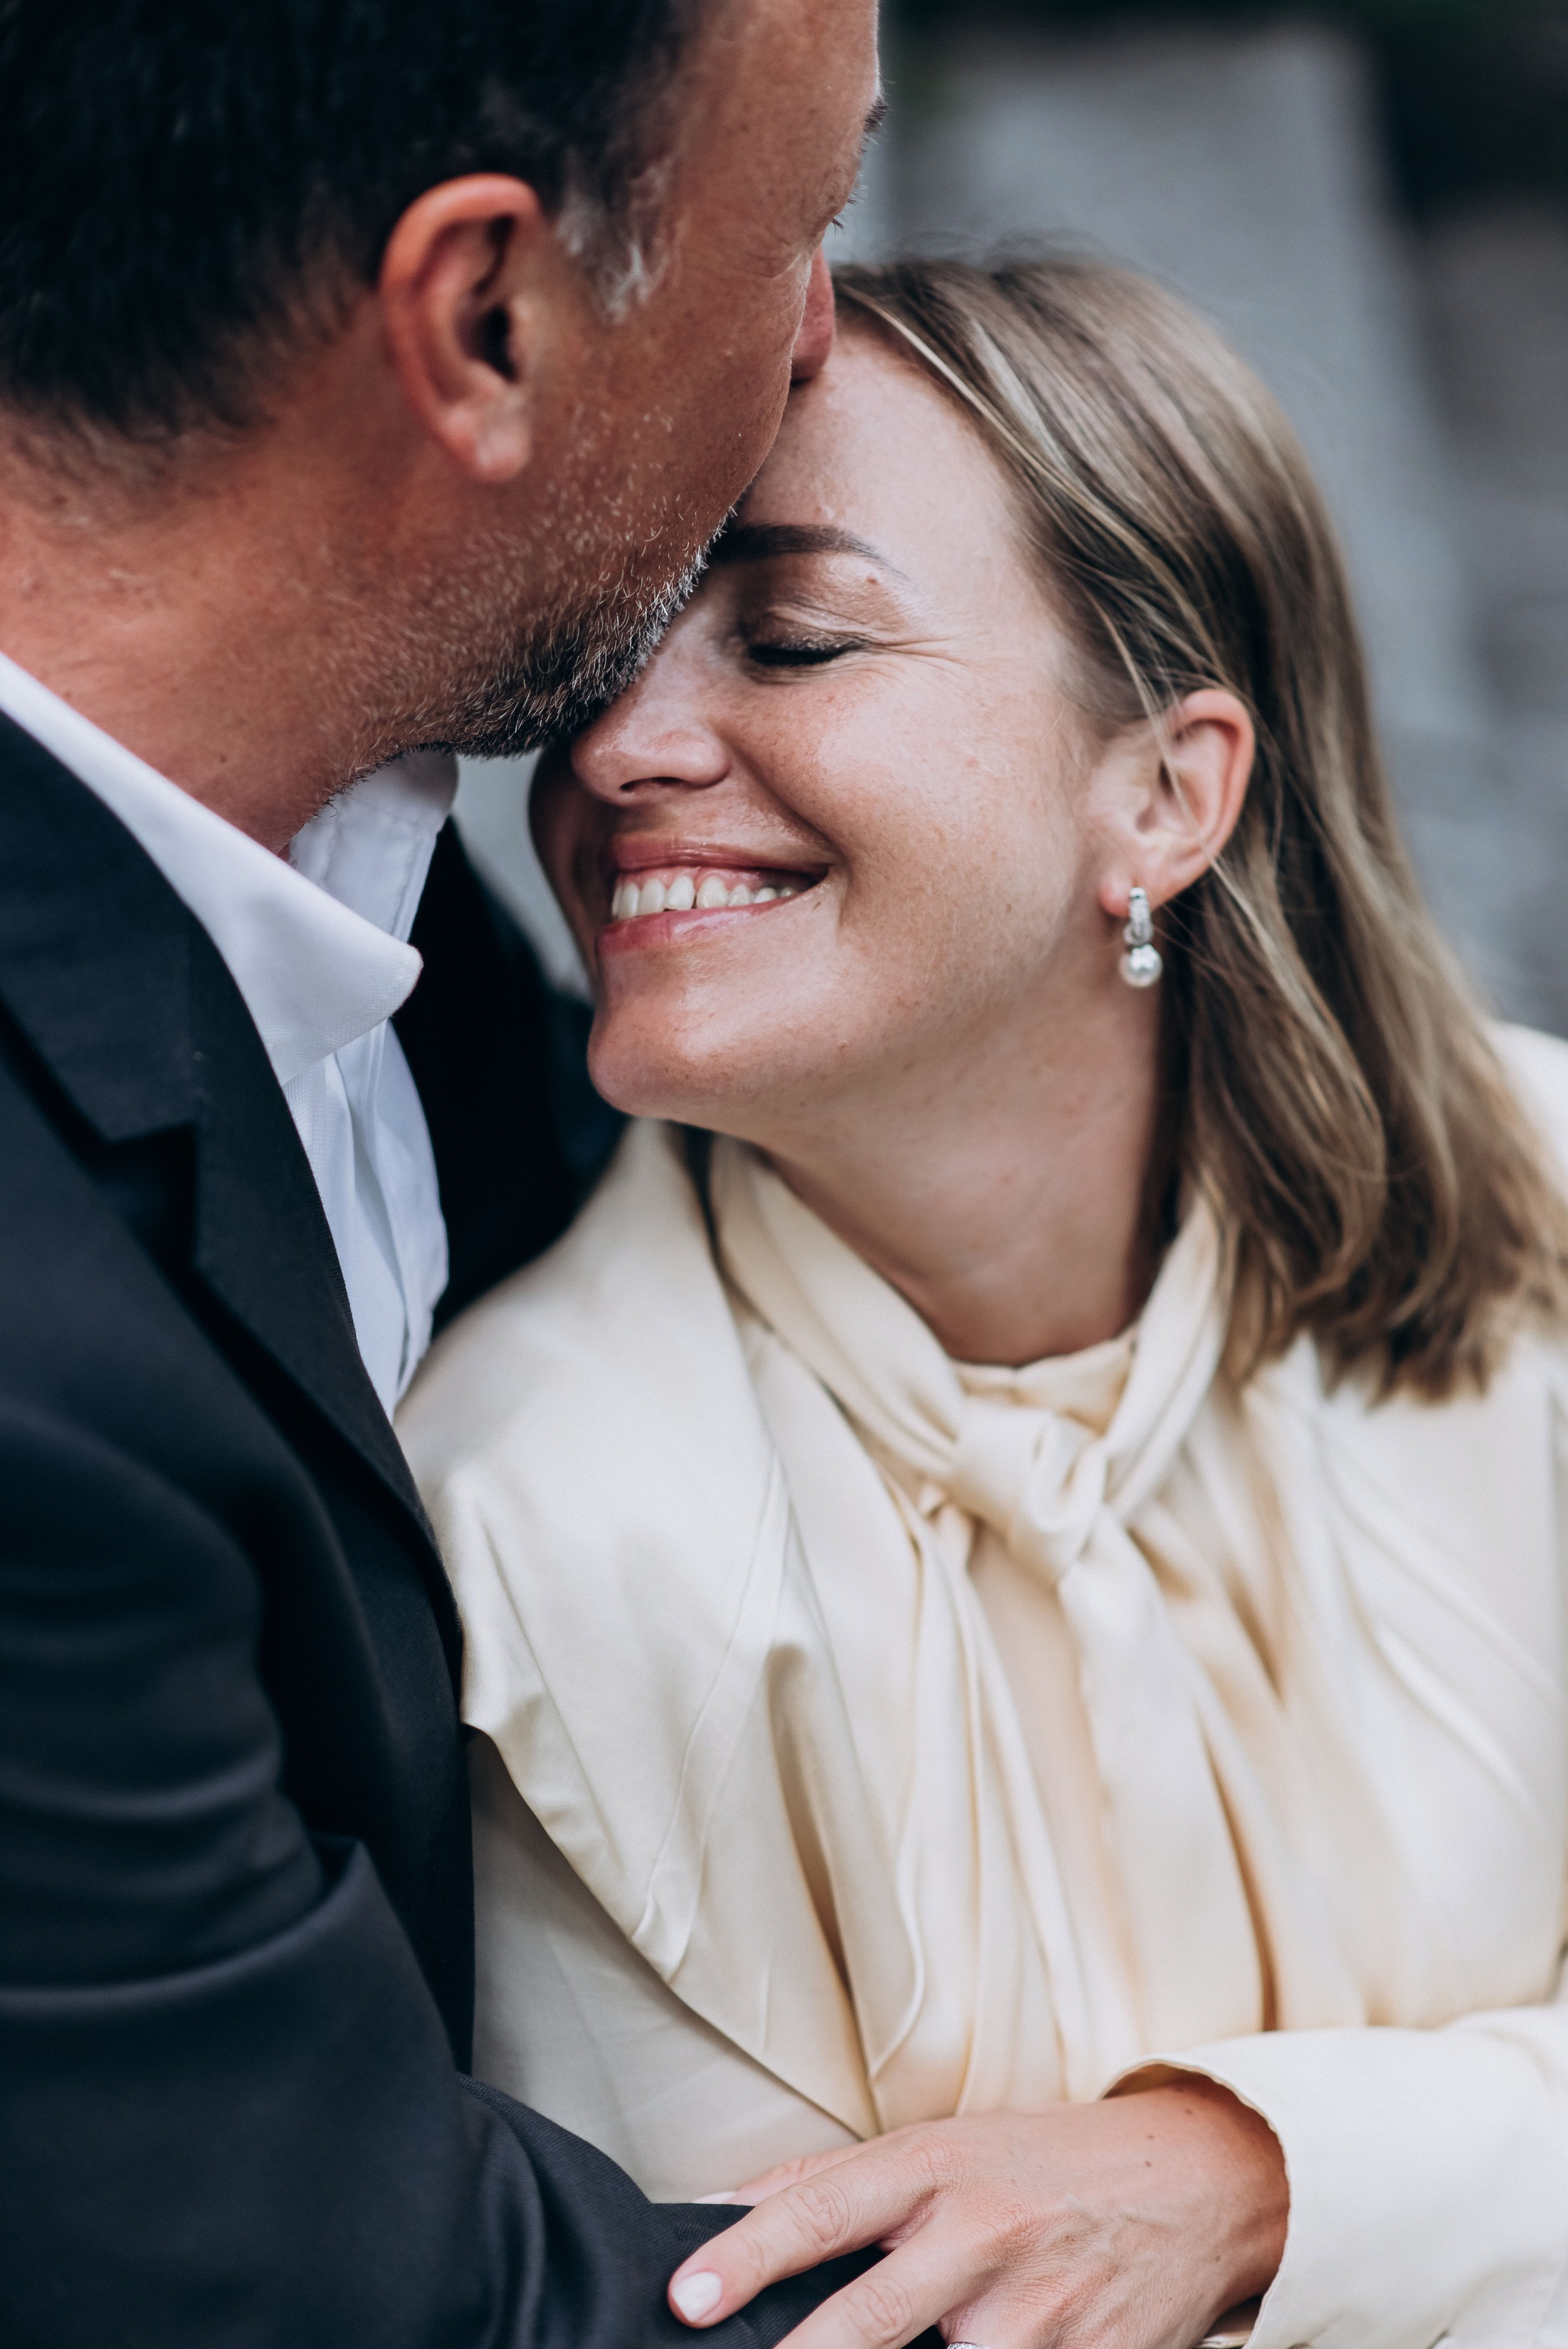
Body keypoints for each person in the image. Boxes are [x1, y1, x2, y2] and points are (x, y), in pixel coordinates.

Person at [401, 256, 1568, 2349]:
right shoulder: (534, 1519)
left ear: (1168, 793)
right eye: (607, 652)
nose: (619, 752)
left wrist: (1258, 2178)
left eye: (794, 634)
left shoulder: (1559, 1207)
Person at [0, 5, 886, 2345]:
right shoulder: (31, 1398)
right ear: (483, 322)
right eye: (801, 229)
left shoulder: (359, 787)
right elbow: (371, 2294)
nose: (819, 341)